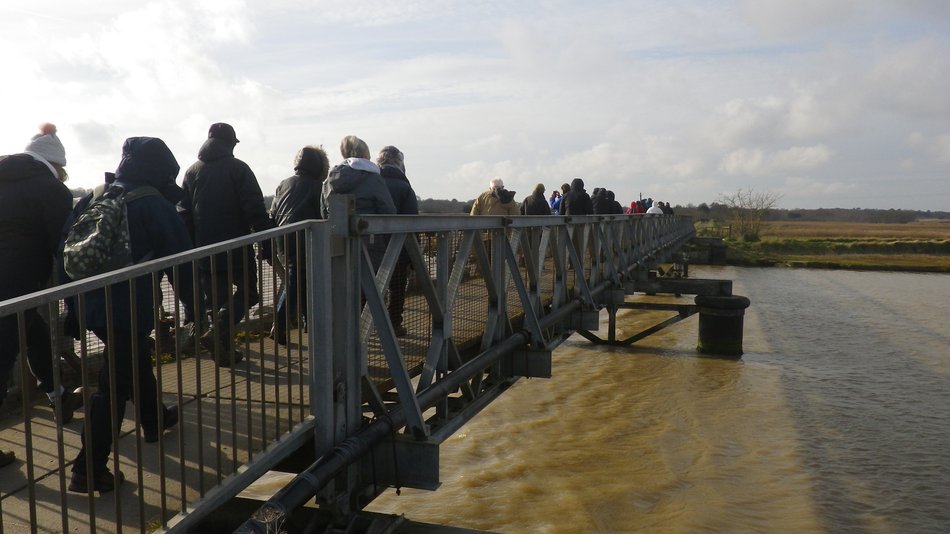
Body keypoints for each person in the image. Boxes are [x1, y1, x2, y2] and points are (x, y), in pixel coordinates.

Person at [69, 136, 196, 493]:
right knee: (112, 387)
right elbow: (181, 261)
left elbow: (65, 255)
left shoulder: (95, 197)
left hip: (90, 305)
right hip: (126, 307)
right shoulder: (153, 204)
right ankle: (88, 468)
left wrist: (71, 311)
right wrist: (194, 306)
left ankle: (155, 420)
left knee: (131, 361)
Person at [0, 123, 76, 467]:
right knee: (2, 359)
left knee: (36, 334)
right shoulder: (51, 190)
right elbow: (64, 246)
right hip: (19, 284)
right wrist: (72, 292)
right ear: (55, 164)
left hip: (10, 288)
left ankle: (56, 395)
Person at [179, 123, 273, 367]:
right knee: (249, 294)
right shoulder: (239, 169)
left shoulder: (191, 172)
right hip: (237, 247)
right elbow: (255, 209)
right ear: (230, 143)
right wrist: (267, 242)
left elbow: (184, 215)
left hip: (204, 251)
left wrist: (192, 248)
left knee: (216, 303)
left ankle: (223, 353)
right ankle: (218, 334)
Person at [269, 145, 330, 345]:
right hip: (305, 240)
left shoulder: (283, 184)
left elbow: (273, 212)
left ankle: (307, 322)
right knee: (296, 282)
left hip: (282, 239)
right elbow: (324, 215)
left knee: (301, 281)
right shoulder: (318, 187)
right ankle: (279, 324)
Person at [321, 135, 396, 273]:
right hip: (369, 241)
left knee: (341, 286)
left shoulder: (329, 180)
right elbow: (388, 210)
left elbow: (324, 211)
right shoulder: (373, 177)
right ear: (365, 154)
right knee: (370, 288)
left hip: (336, 242)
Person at [377, 145, 418, 337]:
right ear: (400, 163)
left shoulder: (372, 182)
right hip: (399, 248)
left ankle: (365, 325)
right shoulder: (404, 187)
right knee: (397, 287)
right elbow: (412, 223)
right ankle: (394, 325)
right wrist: (414, 256)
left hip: (372, 246)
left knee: (370, 287)